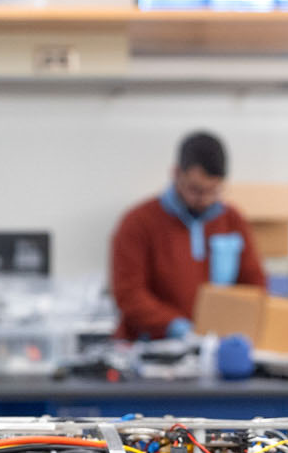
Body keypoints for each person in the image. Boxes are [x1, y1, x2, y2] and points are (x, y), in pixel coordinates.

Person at [110, 130, 265, 340]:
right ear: (175, 173)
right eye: (195, 190)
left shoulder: (232, 220)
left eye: (213, 191)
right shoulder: (138, 223)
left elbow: (253, 285)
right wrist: (176, 327)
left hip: (215, 343)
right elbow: (129, 294)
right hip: (152, 347)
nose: (204, 199)